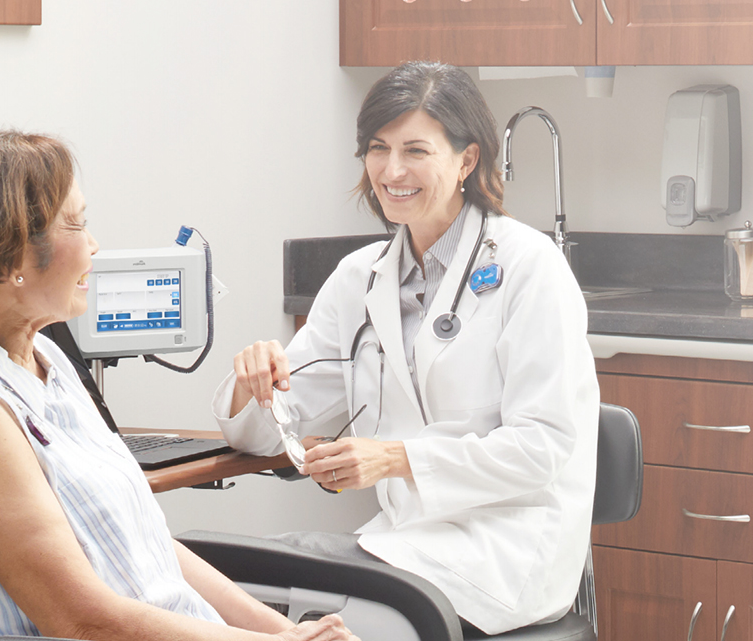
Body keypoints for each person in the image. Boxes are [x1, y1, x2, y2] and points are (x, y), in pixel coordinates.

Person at [0, 129, 358, 641]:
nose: (93, 244)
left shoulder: (43, 357)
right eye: (77, 225)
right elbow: (82, 621)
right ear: (11, 259)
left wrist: (283, 630)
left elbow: (148, 543)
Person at [213, 61, 599, 635]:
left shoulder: (528, 266)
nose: (392, 170)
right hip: (402, 544)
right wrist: (255, 384)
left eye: (416, 150)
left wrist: (396, 459)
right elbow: (272, 432)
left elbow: (541, 448)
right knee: (221, 579)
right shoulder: (358, 279)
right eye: (378, 148)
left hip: (508, 550)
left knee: (319, 622)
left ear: (467, 160)